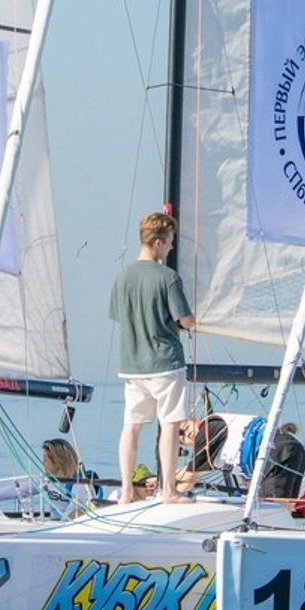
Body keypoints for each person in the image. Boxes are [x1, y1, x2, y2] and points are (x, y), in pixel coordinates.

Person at [109, 210, 195, 504]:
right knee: (170, 424)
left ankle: (125, 492)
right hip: (166, 363)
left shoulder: (122, 276)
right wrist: (191, 321)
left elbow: (120, 316)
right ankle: (169, 491)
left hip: (132, 365)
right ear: (157, 242)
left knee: (131, 427)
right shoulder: (168, 278)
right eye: (169, 241)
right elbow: (185, 319)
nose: (171, 247)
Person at [176, 411, 305, 499]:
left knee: (273, 511)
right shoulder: (214, 449)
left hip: (275, 453)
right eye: (183, 439)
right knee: (283, 511)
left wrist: (172, 495)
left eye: (187, 427)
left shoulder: (207, 430)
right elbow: (188, 471)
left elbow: (189, 478)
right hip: (290, 449)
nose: (187, 434)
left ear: (195, 421)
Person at [41, 438, 104, 515]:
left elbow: (78, 511)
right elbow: (29, 487)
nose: (43, 463)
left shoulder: (80, 484)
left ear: (57, 461)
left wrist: (63, 521)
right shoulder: (49, 480)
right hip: (56, 520)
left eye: (45, 460)